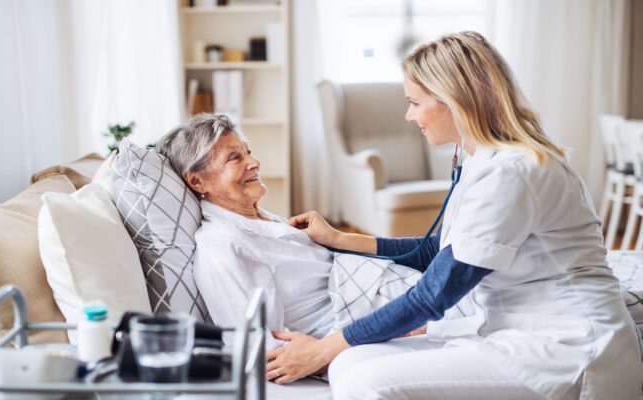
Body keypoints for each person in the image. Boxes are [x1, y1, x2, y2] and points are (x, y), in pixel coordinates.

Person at [264, 31, 643, 400]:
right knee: (349, 364)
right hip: (514, 330)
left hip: (567, 346)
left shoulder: (511, 171)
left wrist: (323, 348)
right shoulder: (481, 159)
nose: (409, 115)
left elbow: (433, 295)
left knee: (367, 383)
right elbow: (440, 250)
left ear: (455, 100)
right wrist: (339, 239)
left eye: (415, 102)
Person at [157, 114, 476, 350]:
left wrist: (336, 239)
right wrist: (408, 328)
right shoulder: (222, 247)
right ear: (197, 181)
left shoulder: (265, 220)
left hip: (411, 299)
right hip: (389, 322)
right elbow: (257, 346)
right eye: (235, 158)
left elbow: (426, 251)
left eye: (248, 151)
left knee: (500, 295)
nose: (254, 162)